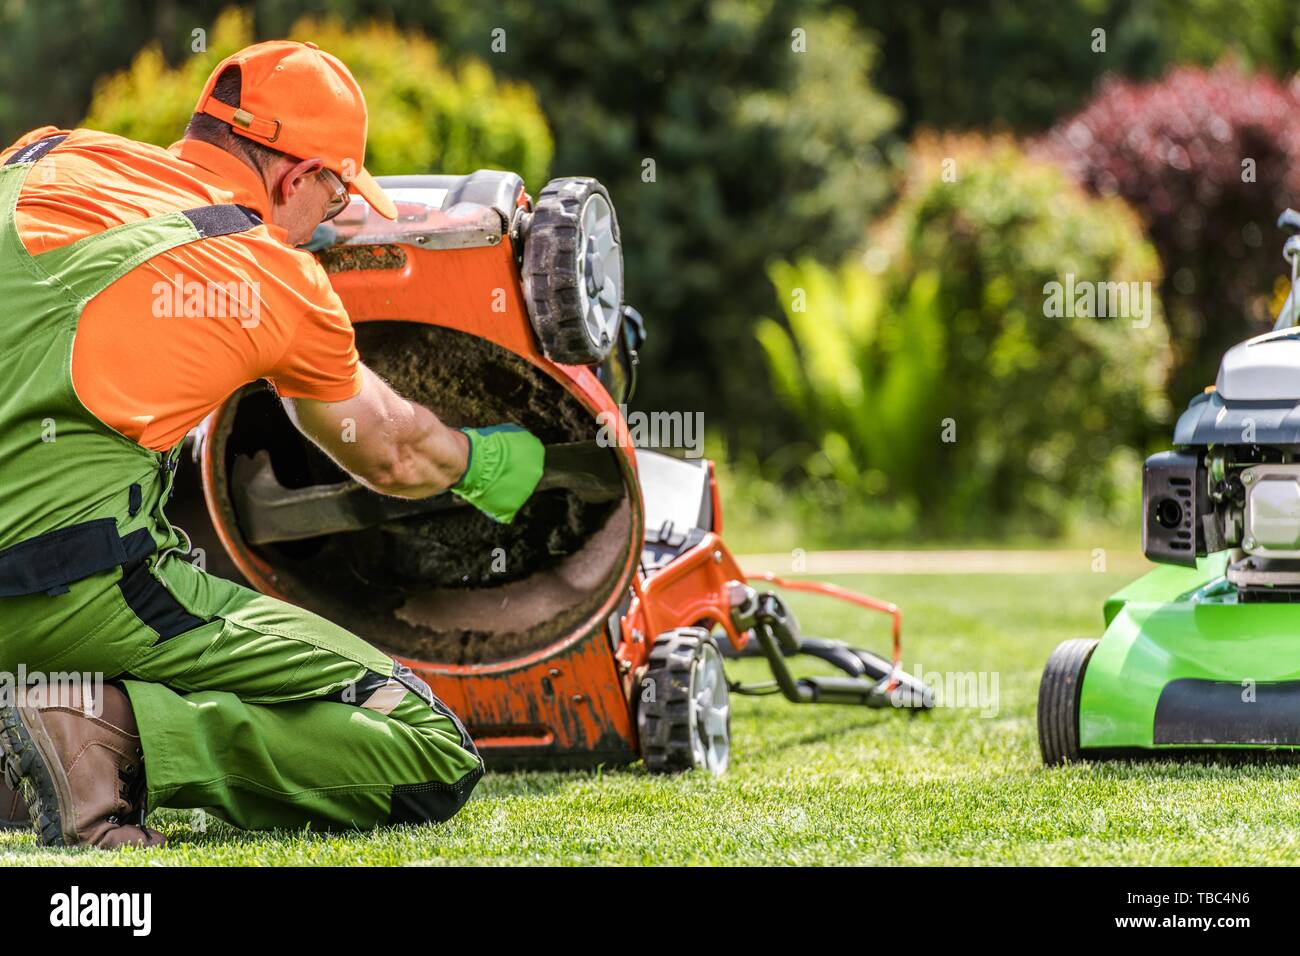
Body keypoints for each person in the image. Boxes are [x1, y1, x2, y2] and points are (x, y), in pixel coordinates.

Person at [0, 39, 544, 849]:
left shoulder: (44, 154)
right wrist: (499, 464)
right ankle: (108, 739)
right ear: (297, 179)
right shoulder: (278, 280)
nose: (325, 221)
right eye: (332, 200)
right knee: (429, 750)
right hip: (58, 587)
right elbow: (392, 453)